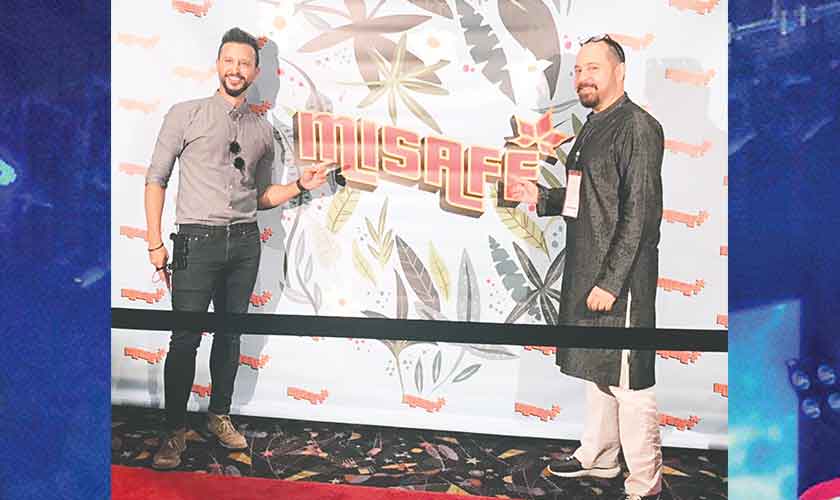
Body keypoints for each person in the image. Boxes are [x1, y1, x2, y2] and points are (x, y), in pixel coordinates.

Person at [144, 27, 328, 470]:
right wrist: (154, 242)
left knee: (230, 337)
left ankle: (219, 415)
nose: (236, 69)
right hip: (194, 242)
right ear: (218, 64)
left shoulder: (262, 130)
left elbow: (261, 197)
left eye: (244, 63)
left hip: (245, 244)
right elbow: (155, 178)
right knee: (185, 339)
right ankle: (173, 431)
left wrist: (300, 185)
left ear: (256, 73)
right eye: (229, 60)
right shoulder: (185, 114)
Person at [506, 35, 664, 500]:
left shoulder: (637, 127)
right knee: (599, 370)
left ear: (620, 71)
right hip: (587, 268)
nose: (582, 77)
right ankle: (599, 457)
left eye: (593, 67)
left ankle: (645, 485)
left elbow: (640, 214)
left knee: (630, 382)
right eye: (578, 70)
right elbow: (587, 196)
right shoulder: (594, 125)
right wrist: (542, 197)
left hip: (621, 282)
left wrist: (611, 283)